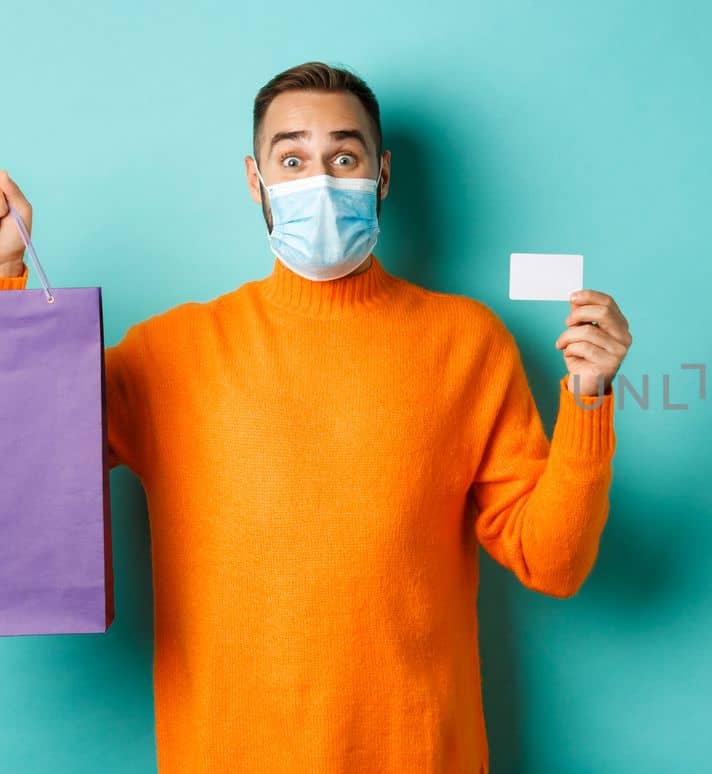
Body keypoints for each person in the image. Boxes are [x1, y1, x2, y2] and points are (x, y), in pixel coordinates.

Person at [0, 62, 633, 773]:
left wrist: (587, 400)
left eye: (345, 156)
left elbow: (554, 563)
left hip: (420, 755)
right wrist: (7, 276)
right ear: (255, 179)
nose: (321, 182)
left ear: (382, 174)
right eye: (293, 159)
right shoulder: (167, 353)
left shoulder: (470, 341)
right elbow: (26, 465)